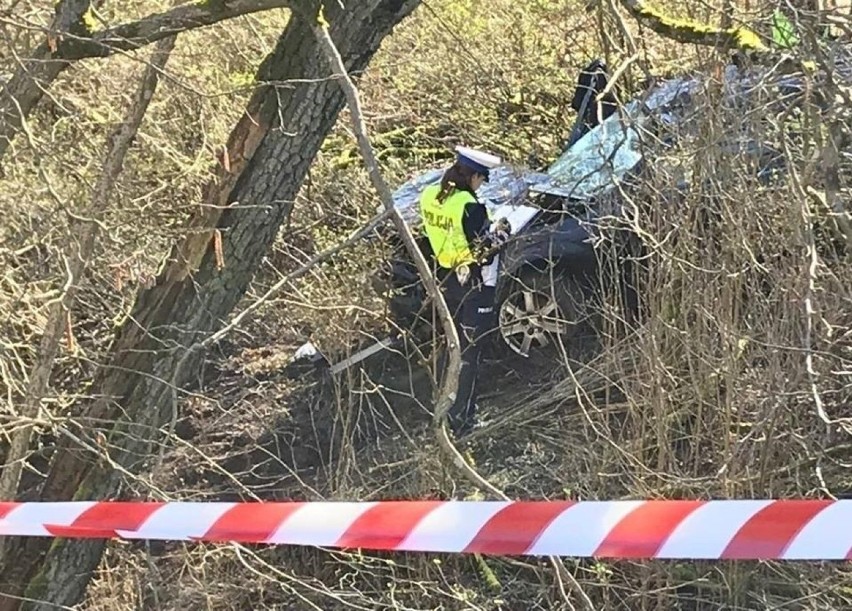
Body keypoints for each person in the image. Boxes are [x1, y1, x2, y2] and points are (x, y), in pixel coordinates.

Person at [419, 145, 511, 437]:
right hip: (474, 283)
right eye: (481, 180)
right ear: (472, 176)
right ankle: (462, 421)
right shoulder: (469, 206)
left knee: (452, 345)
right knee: (471, 352)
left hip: (446, 279)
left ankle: (441, 405)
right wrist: (502, 231)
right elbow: (485, 250)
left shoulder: (429, 196)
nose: (481, 185)